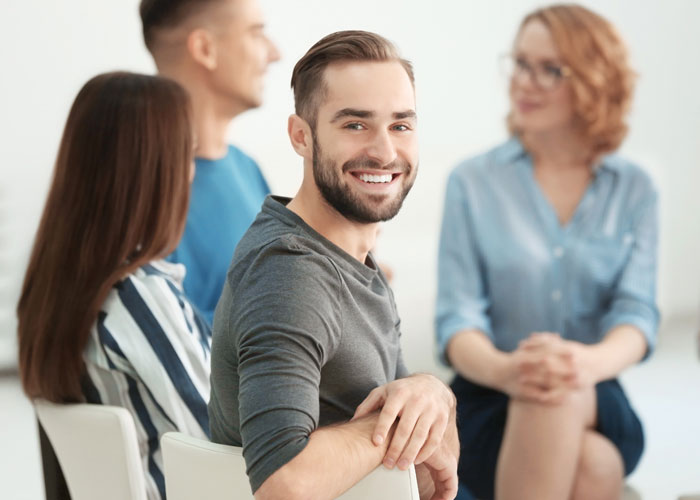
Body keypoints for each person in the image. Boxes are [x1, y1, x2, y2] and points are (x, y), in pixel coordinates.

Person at [208, 31, 459, 500]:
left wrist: (433, 392)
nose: (385, 152)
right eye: (355, 125)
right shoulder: (290, 270)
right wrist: (404, 417)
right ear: (301, 137)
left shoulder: (354, 261)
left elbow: (430, 464)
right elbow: (283, 482)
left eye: (401, 126)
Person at [436, 4, 658, 500]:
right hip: (488, 392)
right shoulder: (472, 182)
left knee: (559, 387)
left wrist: (583, 363)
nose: (524, 82)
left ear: (596, 81)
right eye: (519, 63)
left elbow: (636, 314)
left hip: (596, 387)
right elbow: (458, 321)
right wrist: (510, 370)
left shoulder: (635, 188)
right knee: (595, 463)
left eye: (549, 69)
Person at [17, 72, 211, 500]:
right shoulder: (137, 296)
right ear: (154, 171)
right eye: (188, 155)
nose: (192, 174)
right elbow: (226, 442)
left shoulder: (54, 291)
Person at [139, 0, 280, 324]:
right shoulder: (140, 188)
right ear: (205, 49)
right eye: (257, 33)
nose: (274, 53)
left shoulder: (247, 169)